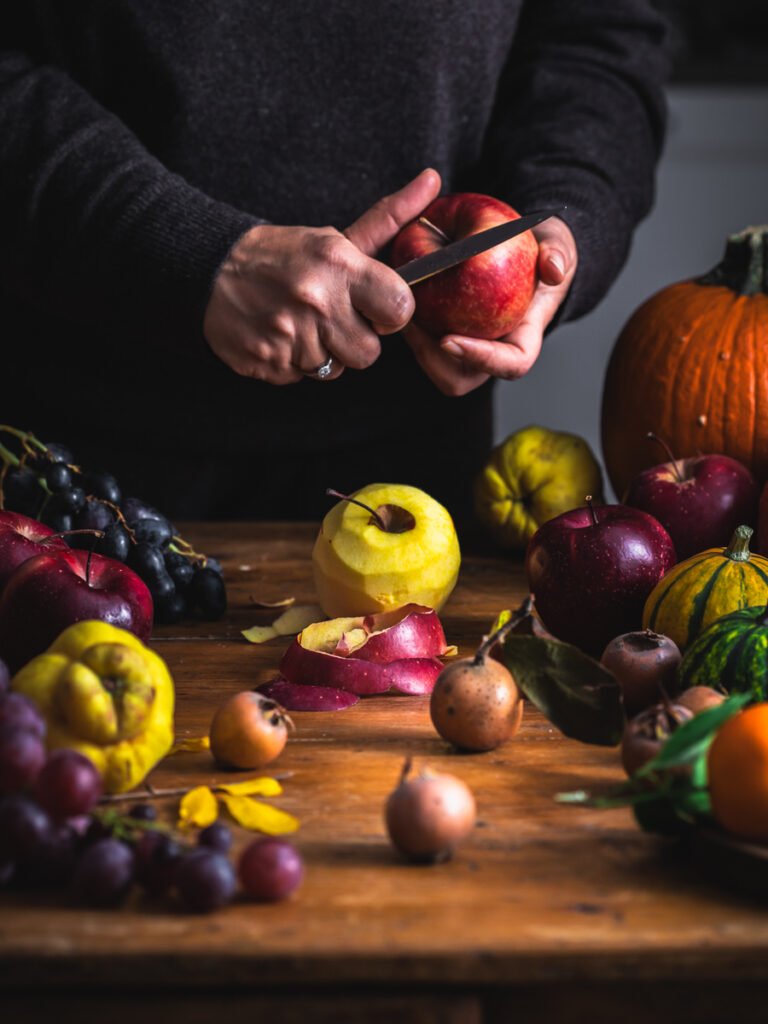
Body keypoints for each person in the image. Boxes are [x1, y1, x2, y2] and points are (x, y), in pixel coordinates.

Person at [0, 2, 669, 532]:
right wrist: (181, 246)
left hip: (414, 473)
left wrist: (568, 209)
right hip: (68, 462)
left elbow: (597, 37)